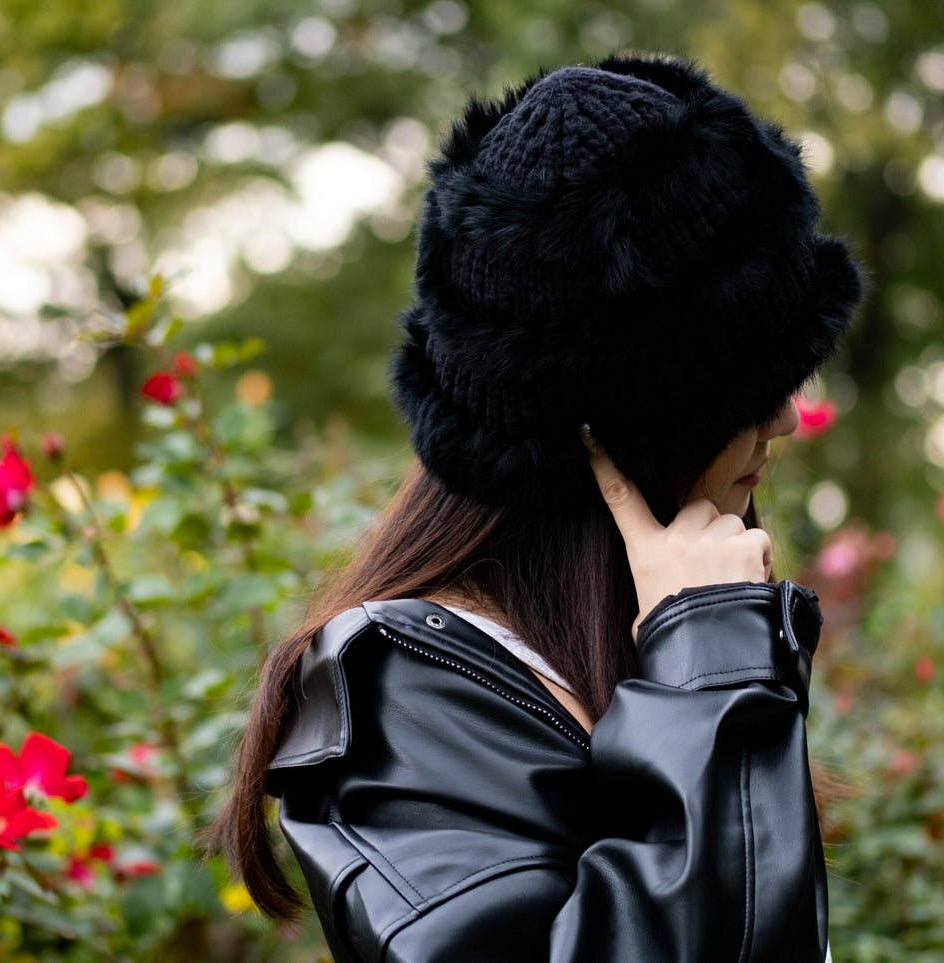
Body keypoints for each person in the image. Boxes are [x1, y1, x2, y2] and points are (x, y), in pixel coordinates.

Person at [213, 52, 865, 961]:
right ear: (622, 427)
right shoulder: (400, 699)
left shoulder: (641, 643)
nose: (789, 418)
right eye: (743, 388)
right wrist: (708, 661)